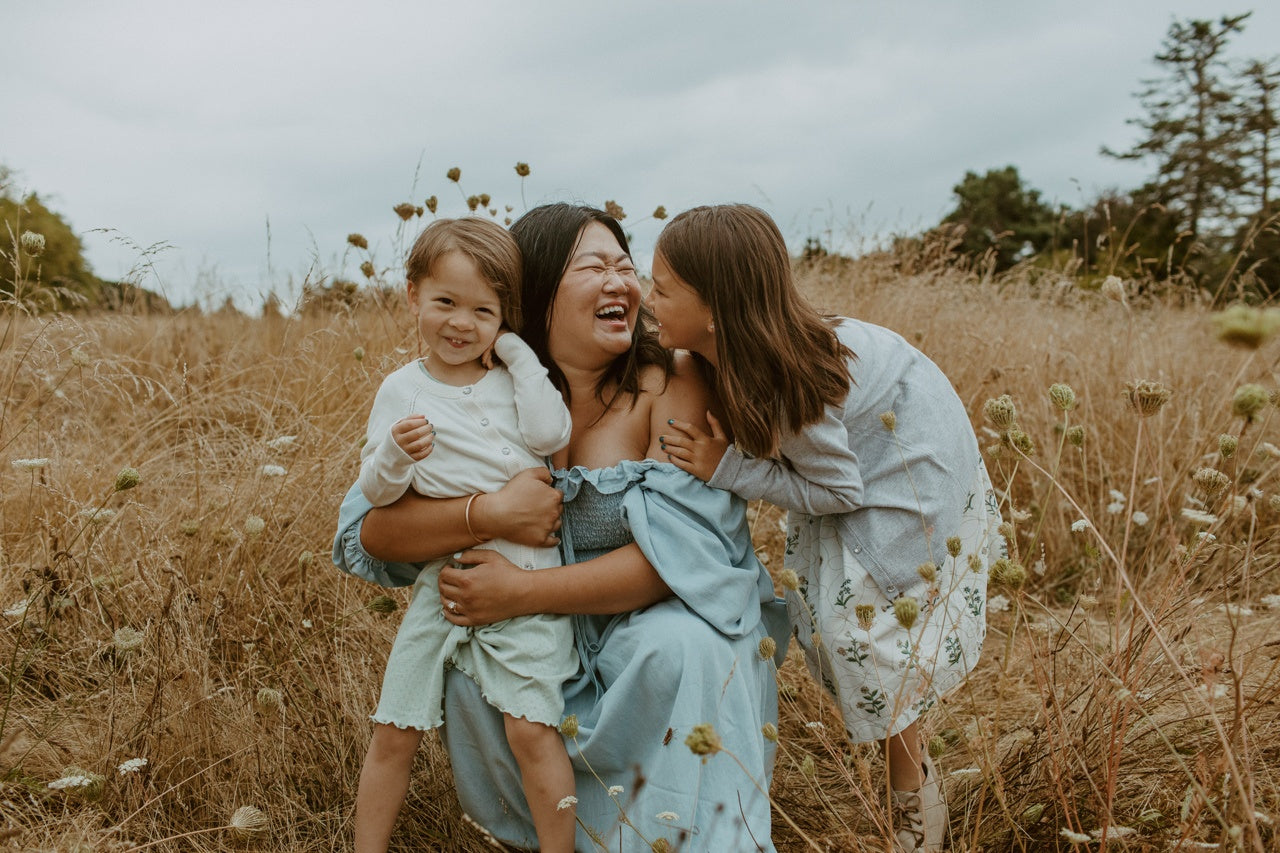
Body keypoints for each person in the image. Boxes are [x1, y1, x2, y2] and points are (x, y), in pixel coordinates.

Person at [333, 203, 789, 852]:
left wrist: (523, 591)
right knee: (473, 657)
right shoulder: (484, 391)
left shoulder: (669, 380)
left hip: (660, 620)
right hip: (544, 633)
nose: (620, 282)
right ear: (540, 293)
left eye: (626, 266)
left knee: (678, 646)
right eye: (594, 265)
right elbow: (374, 533)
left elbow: (676, 564)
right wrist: (485, 514)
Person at [652, 204, 1003, 853]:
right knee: (825, 602)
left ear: (714, 309)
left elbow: (838, 490)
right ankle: (912, 767)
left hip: (908, 459)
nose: (649, 299)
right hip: (886, 432)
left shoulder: (788, 384)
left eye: (661, 288)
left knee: (861, 627)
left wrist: (729, 467)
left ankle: (915, 800)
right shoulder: (745, 350)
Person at [353, 217, 577, 853]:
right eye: (445, 302)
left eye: (484, 310)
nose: (461, 323)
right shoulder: (402, 389)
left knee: (531, 731)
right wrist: (398, 454)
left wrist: (517, 354)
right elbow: (376, 493)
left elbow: (550, 435)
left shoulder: (513, 379)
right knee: (394, 727)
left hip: (528, 573)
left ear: (506, 317)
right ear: (412, 296)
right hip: (444, 581)